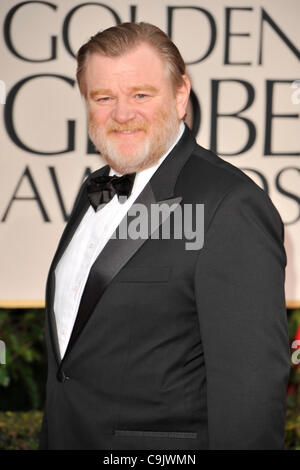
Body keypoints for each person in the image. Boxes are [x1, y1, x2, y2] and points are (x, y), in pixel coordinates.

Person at [39, 22, 290, 450]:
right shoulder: (94, 190)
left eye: (140, 94)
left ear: (179, 95)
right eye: (104, 98)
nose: (121, 114)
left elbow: (250, 392)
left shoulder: (229, 205)